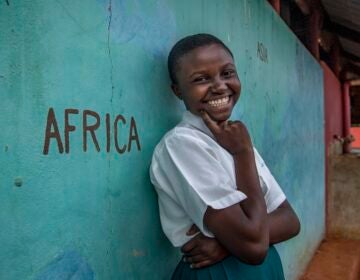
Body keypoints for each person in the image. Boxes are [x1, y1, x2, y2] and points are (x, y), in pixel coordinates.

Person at [150, 33, 300, 279]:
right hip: (218, 273)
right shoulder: (181, 146)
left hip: (264, 270)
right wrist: (242, 155)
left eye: (227, 73)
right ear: (178, 90)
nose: (220, 86)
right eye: (201, 79)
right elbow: (252, 246)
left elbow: (290, 220)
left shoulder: (234, 137)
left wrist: (223, 245)